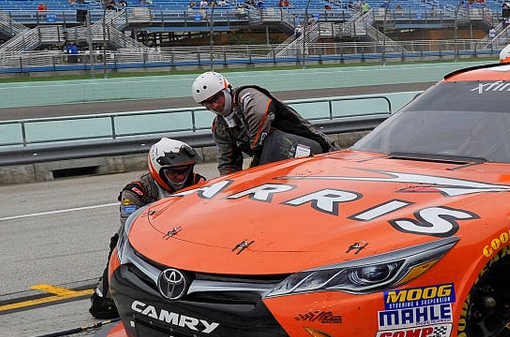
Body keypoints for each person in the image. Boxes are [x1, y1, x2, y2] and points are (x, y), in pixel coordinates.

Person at [89, 138, 207, 319]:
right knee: (102, 308)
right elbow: (130, 226)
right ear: (158, 169)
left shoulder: (200, 184)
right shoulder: (136, 191)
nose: (181, 177)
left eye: (185, 171)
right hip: (141, 243)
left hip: (187, 241)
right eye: (174, 173)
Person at [191, 71, 336, 175]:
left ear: (226, 89)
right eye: (207, 103)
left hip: (318, 149)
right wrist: (229, 187)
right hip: (281, 167)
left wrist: (256, 152)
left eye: (216, 99)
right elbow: (227, 163)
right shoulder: (220, 126)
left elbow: (259, 113)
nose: (214, 106)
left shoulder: (246, 95)